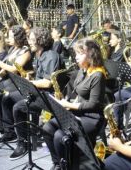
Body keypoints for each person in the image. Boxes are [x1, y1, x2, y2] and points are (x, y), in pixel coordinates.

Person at [42, 38, 106, 170]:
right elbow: (76, 92)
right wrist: (63, 99)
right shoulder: (82, 70)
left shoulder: (98, 75)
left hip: (91, 117)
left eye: (79, 53)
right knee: (47, 128)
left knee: (60, 136)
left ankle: (69, 166)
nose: (75, 57)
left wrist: (68, 105)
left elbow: (94, 104)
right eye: (76, 53)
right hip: (78, 111)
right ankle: (59, 163)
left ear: (91, 54)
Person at [9, 27, 63, 160]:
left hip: (49, 97)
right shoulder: (39, 54)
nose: (29, 42)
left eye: (32, 39)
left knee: (18, 108)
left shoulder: (50, 56)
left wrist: (29, 84)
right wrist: (29, 79)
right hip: (39, 92)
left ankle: (23, 143)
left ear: (41, 40)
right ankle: (17, 134)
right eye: (29, 39)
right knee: (8, 97)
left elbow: (47, 83)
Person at [0, 25, 32, 142]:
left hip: (19, 81)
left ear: (18, 37)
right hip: (10, 80)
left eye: (11, 36)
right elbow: (5, 68)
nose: (8, 38)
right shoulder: (13, 48)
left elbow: (14, 69)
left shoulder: (25, 51)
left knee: (3, 96)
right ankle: (0, 126)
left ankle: (10, 131)